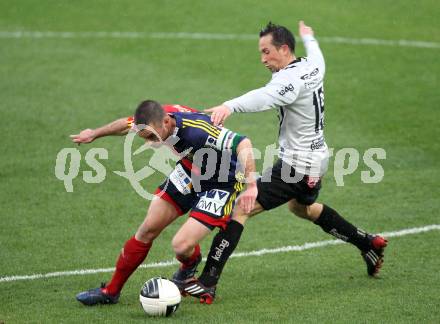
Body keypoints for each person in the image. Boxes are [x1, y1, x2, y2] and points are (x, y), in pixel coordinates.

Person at [178, 21, 388, 302]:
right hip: (317, 161)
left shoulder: (287, 80)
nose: (263, 59)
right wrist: (309, 36)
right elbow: (317, 53)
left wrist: (229, 106)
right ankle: (367, 242)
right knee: (302, 208)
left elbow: (264, 96)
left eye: (267, 52)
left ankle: (207, 282)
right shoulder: (313, 65)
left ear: (284, 49)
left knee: (240, 206)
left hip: (296, 166)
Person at [71, 100, 258, 305]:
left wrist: (251, 186)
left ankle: (189, 265)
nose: (150, 141)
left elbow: (243, 143)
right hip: (190, 171)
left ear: (167, 122)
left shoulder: (197, 131)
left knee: (180, 246)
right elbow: (126, 124)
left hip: (223, 183)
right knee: (147, 229)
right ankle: (111, 291)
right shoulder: (153, 119)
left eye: (152, 136)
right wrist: (94, 133)